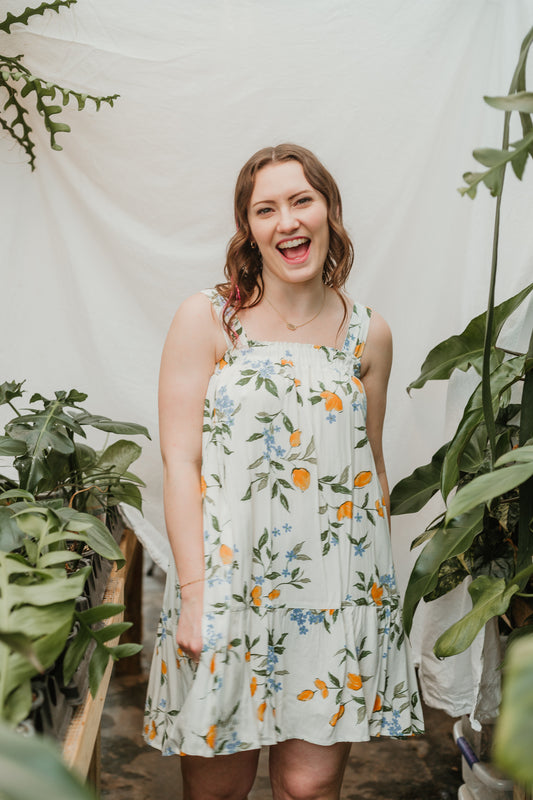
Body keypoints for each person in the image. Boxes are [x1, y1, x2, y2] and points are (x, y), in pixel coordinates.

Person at [144, 143, 423, 800]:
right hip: (227, 591)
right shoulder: (211, 319)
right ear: (249, 228)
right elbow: (179, 464)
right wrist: (192, 595)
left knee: (307, 790)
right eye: (265, 208)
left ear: (328, 210)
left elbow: (369, 468)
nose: (286, 221)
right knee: (216, 792)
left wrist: (373, 607)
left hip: (336, 598)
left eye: (300, 200)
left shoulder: (367, 334)